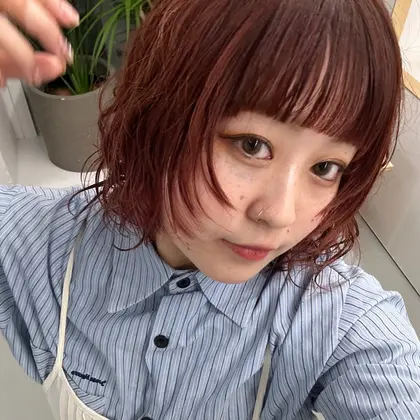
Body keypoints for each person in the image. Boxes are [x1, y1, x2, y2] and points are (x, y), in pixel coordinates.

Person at [0, 0, 420, 419]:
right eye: (252, 145)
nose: (280, 214)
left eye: (325, 168)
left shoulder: (339, 321)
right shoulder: (41, 246)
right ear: (158, 112)